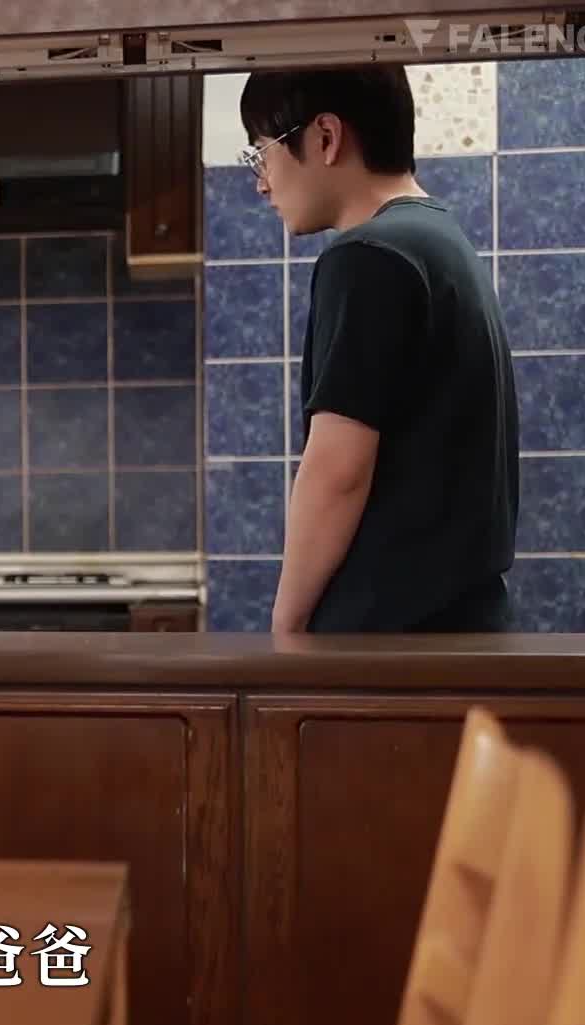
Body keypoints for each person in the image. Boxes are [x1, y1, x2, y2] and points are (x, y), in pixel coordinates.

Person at [239, 65, 519, 634]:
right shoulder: (439, 240)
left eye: (260, 153)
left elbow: (338, 470)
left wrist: (286, 625)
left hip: (390, 638)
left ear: (325, 136)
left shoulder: (367, 257)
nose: (261, 184)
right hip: (458, 627)